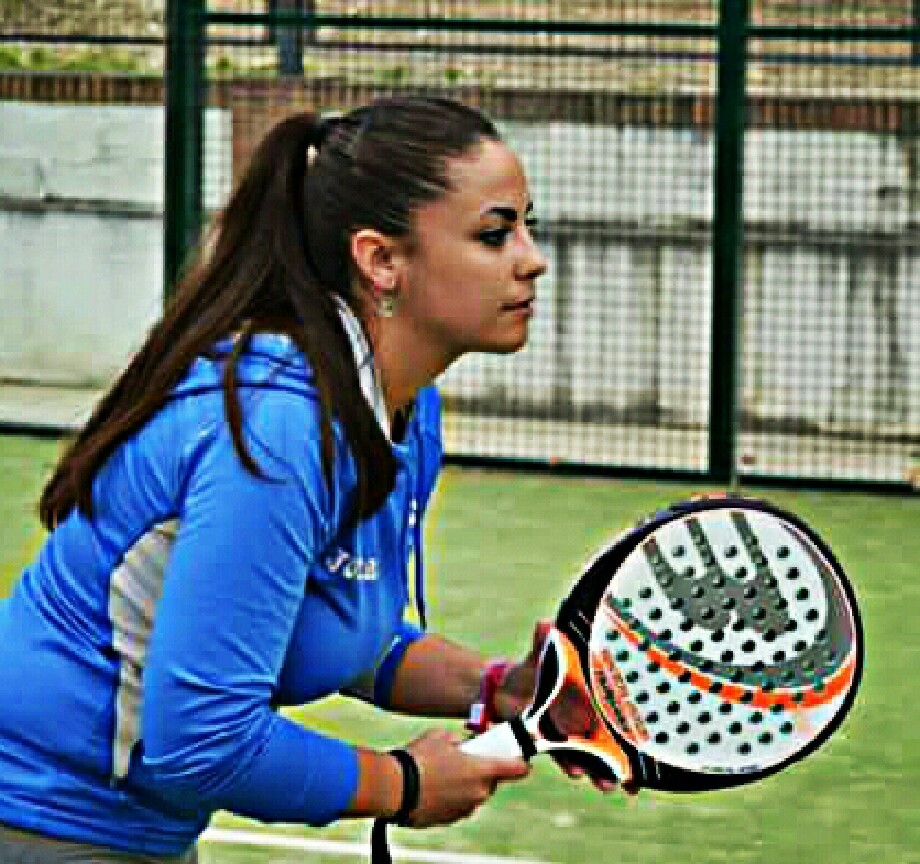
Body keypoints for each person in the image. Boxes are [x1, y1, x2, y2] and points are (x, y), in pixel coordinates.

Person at [0, 96, 614, 863]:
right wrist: (402, 784)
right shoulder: (283, 430)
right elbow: (200, 742)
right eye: (495, 233)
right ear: (380, 260)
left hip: (120, 826)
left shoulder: (402, 407)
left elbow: (334, 627)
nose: (532, 258)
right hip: (40, 818)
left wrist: (497, 688)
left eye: (529, 225)